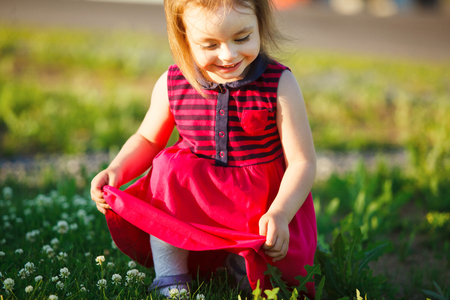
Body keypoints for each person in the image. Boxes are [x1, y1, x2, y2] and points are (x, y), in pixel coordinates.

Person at [90, 0, 317, 298]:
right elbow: (147, 139)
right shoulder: (173, 82)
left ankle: (236, 262)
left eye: (242, 38)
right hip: (197, 205)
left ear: (259, 23)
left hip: (261, 206)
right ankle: (171, 275)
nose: (228, 54)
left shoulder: (279, 84)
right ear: (184, 38)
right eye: (209, 44)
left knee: (269, 283)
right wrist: (117, 169)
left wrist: (280, 212)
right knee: (168, 168)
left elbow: (302, 162)